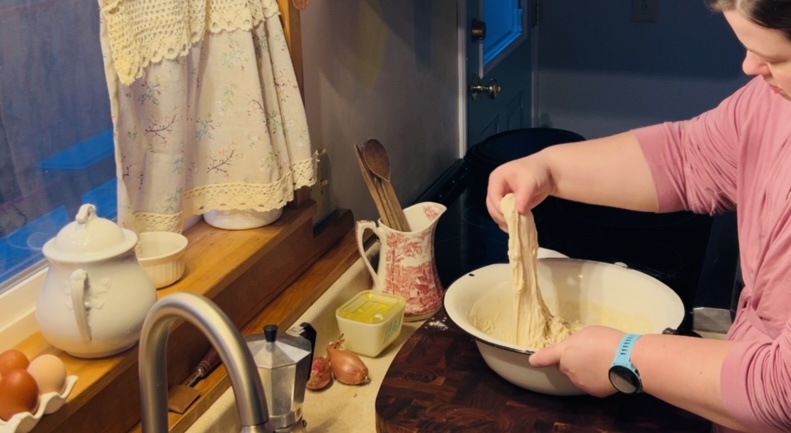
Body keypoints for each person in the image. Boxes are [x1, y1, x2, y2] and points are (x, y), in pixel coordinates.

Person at [485, 1, 791, 432]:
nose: (748, 66)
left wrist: (624, 356)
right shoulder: (775, 100)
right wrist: (550, 169)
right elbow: (691, 158)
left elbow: (782, 390)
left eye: (776, 56)